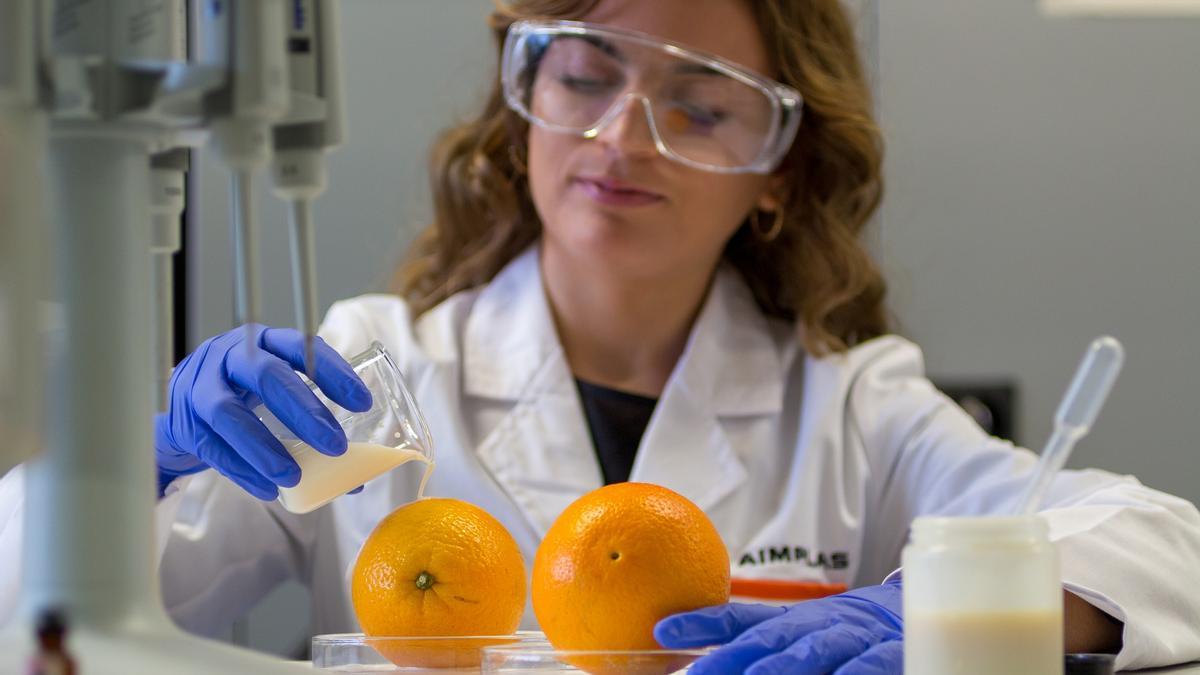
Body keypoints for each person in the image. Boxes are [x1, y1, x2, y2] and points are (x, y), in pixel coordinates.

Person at [1, 0, 1199, 672]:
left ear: (779, 174)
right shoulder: (374, 369)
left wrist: (1011, 604)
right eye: (582, 76)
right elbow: (38, 617)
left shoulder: (854, 409)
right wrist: (136, 467)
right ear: (520, 113)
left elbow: (1164, 546)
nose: (623, 140)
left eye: (701, 106)